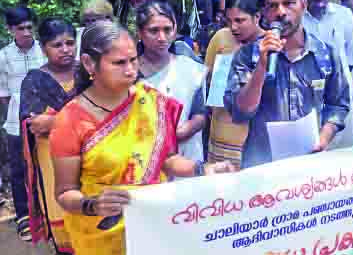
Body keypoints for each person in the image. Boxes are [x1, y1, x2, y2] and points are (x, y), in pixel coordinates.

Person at [50, 22, 234, 255]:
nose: (130, 70)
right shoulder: (70, 120)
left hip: (154, 225)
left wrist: (202, 170)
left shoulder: (151, 102)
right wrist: (93, 204)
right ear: (89, 63)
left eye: (133, 60)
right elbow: (65, 192)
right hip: (100, 238)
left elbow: (167, 159)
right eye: (119, 63)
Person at [224, 0, 350, 168]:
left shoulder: (326, 54)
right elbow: (240, 113)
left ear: (303, 5)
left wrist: (324, 137)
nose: (280, 12)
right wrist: (261, 67)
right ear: (264, 13)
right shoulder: (248, 56)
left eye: (289, 3)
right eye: (272, 6)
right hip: (261, 167)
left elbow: (338, 104)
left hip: (309, 165)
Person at [19, 18, 76, 252]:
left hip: (91, 153)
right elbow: (34, 125)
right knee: (61, 210)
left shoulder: (89, 74)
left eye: (70, 43)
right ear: (43, 48)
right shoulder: (34, 80)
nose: (65, 50)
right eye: (57, 45)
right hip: (51, 158)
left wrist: (55, 121)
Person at [136, 1, 207, 162]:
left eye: (167, 30)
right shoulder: (130, 73)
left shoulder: (191, 68)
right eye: (154, 31)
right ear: (140, 33)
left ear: (175, 31)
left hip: (187, 159)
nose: (162, 38)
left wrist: (183, 132)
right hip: (144, 159)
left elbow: (200, 114)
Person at [0, 7, 46, 241]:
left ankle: (46, 215)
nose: (27, 32)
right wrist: (17, 116)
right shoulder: (3, 56)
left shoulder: (45, 49)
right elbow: (4, 94)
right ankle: (23, 217)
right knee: (19, 170)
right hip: (15, 123)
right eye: (21, 28)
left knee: (44, 167)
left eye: (30, 27)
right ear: (10, 30)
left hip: (46, 120)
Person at [205, 0, 265, 168]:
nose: (234, 27)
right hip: (219, 138)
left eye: (240, 20)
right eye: (229, 20)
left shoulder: (268, 46)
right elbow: (208, 82)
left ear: (257, 17)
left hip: (253, 144)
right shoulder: (221, 38)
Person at [302, 0, 353, 149]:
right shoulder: (299, 20)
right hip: (308, 95)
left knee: (343, 149)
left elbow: (352, 55)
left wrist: (337, 86)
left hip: (341, 96)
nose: (320, 4)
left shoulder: (344, 15)